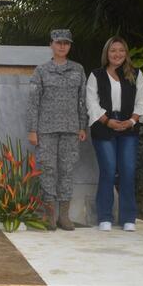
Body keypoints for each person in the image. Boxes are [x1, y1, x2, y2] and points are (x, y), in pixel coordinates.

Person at [27, 29, 88, 230]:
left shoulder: (78, 70)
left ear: (70, 46)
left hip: (71, 129)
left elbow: (82, 101)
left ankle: (64, 216)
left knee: (67, 170)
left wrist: (82, 125)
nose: (62, 46)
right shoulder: (41, 70)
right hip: (46, 129)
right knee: (48, 170)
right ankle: (49, 215)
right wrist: (32, 130)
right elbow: (33, 103)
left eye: (66, 43)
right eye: (58, 42)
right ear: (51, 44)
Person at [86, 36, 143, 232]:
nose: (117, 54)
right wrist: (107, 121)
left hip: (128, 126)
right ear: (107, 53)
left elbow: (141, 101)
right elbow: (91, 102)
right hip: (104, 126)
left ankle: (128, 217)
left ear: (126, 53)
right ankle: (105, 216)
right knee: (108, 170)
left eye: (121, 50)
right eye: (113, 50)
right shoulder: (96, 75)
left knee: (128, 171)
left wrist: (131, 121)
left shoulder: (135, 74)